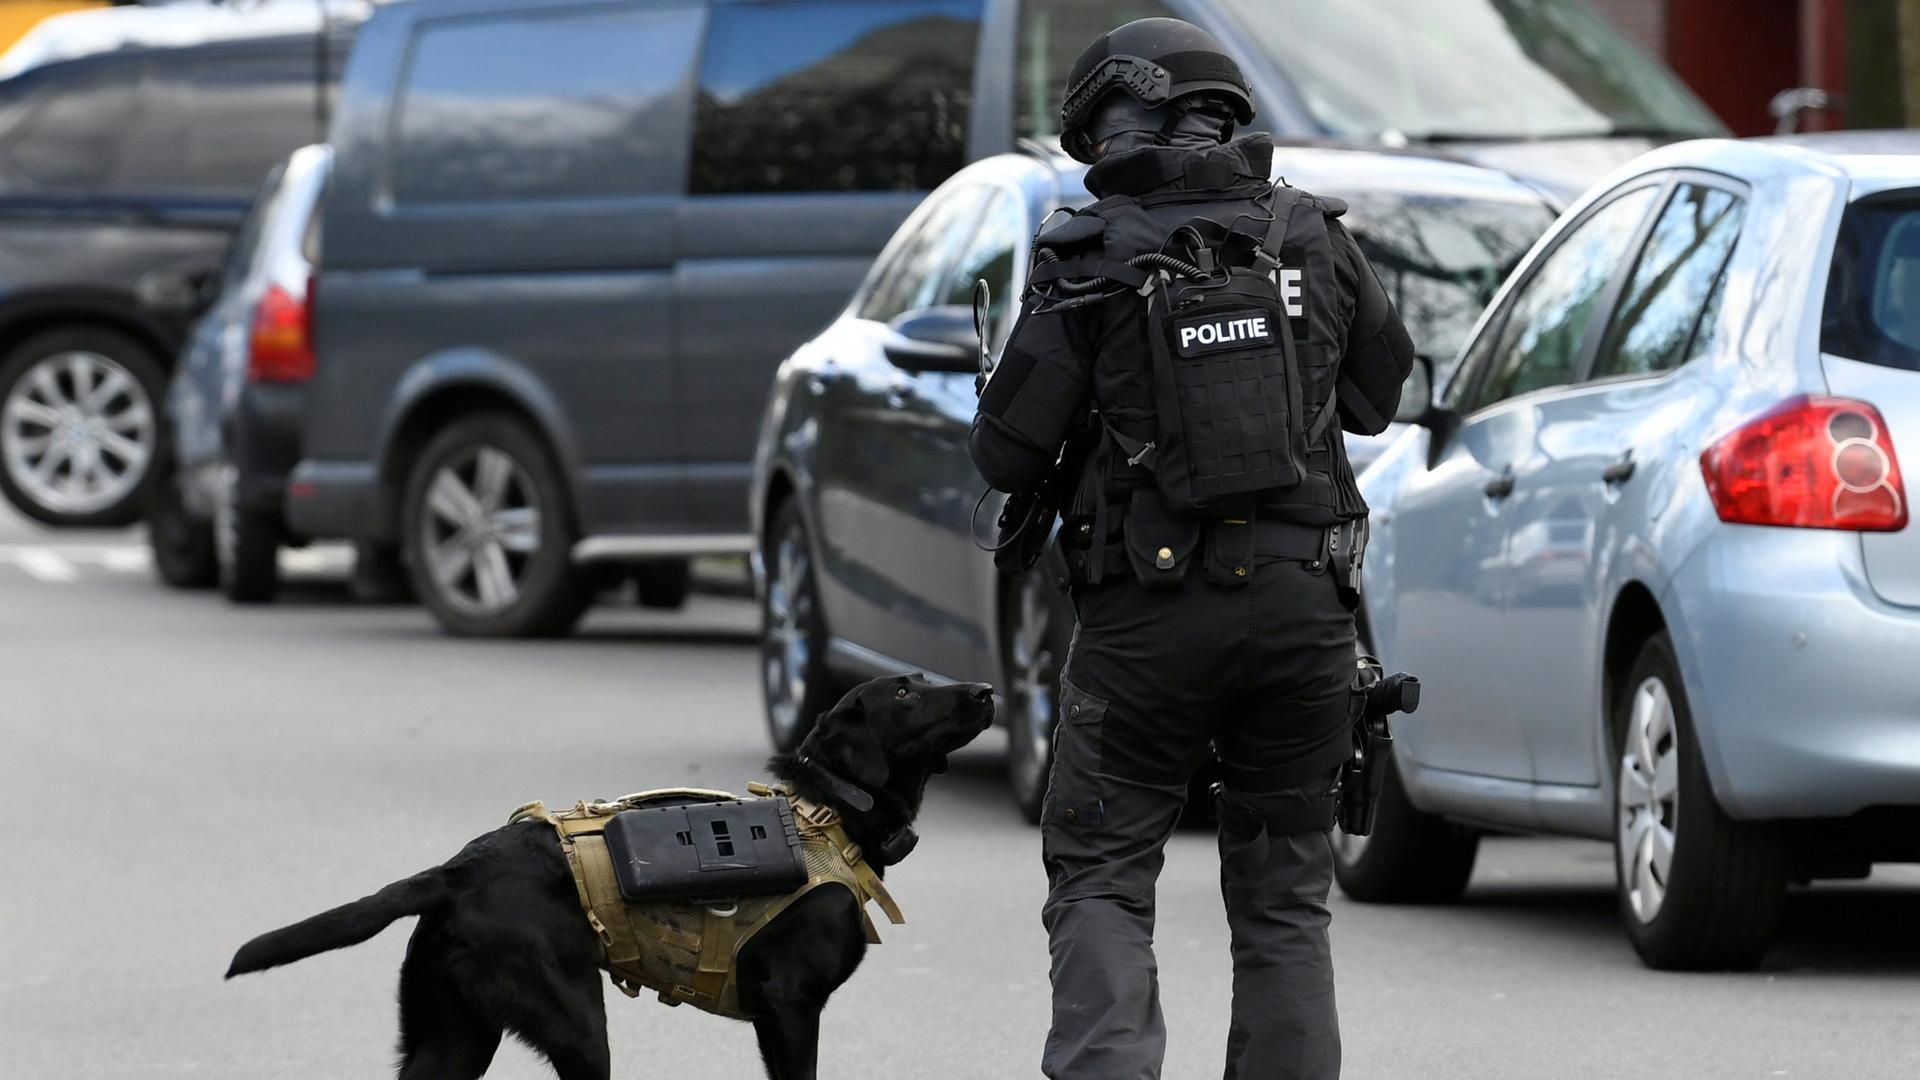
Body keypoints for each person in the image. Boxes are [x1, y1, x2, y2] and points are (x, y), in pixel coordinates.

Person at [968, 17, 1415, 1080]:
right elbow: (1380, 396)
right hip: (1308, 615)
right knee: (1284, 900)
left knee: (1104, 874)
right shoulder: (1312, 232)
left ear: (1122, 121)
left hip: (1146, 626)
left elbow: (1005, 452)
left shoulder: (1090, 251)